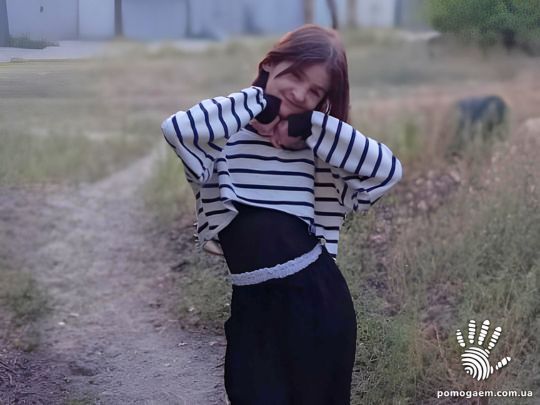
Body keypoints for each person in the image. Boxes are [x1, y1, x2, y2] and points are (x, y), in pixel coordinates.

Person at [161, 24, 402, 405]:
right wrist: (259, 101)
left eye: (315, 91)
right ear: (270, 64)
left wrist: (308, 125)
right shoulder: (224, 136)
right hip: (251, 303)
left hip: (315, 300)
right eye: (295, 75)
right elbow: (177, 130)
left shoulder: (316, 148)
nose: (301, 94)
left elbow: (387, 171)